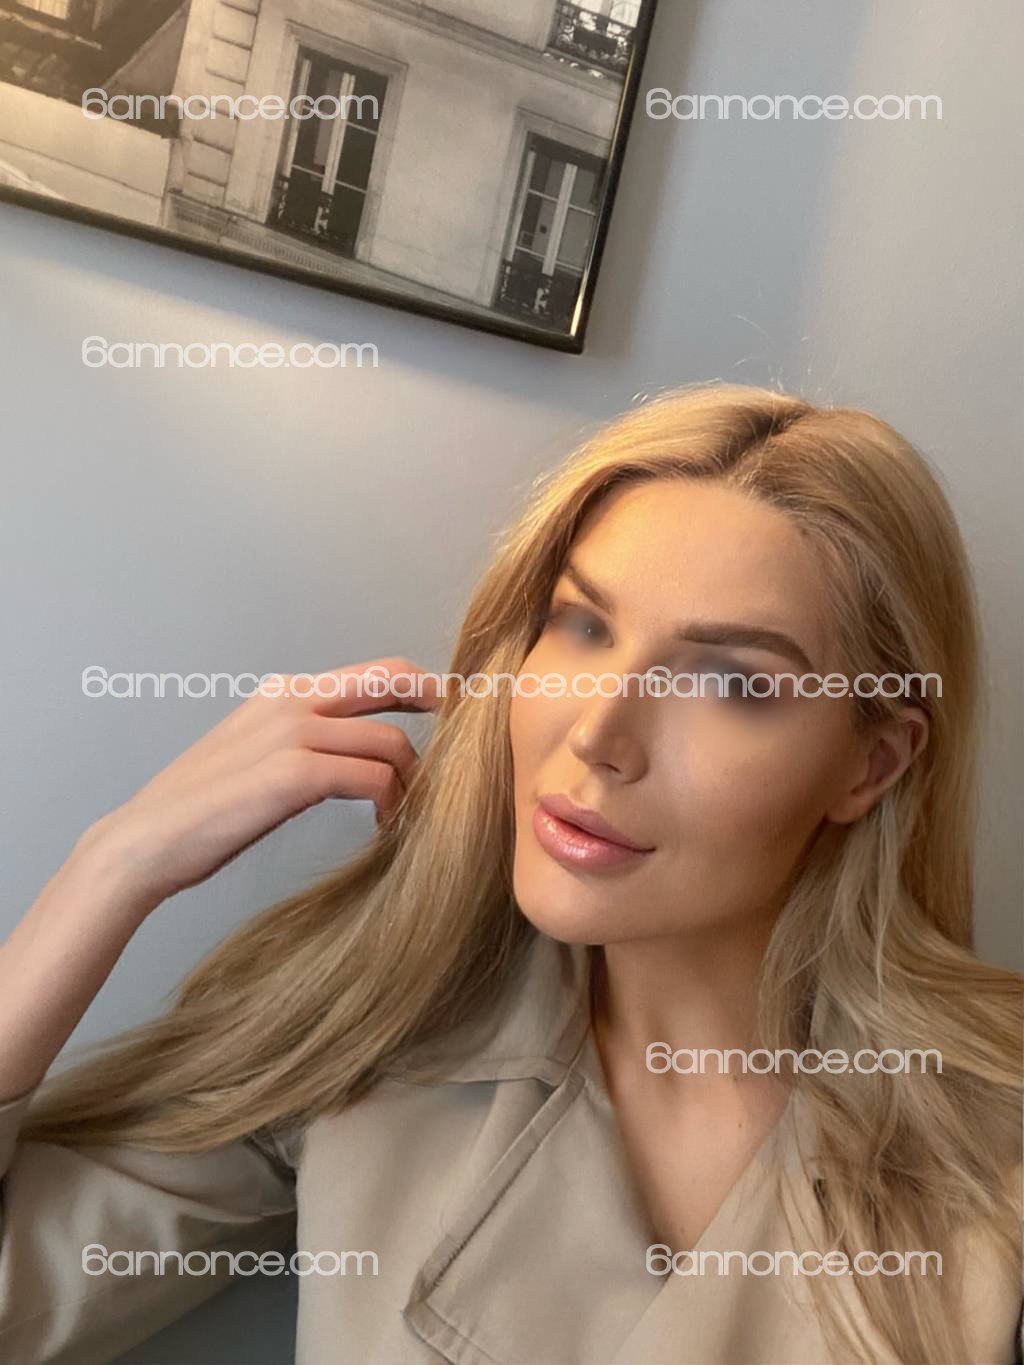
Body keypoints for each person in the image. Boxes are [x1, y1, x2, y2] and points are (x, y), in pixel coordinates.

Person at [0, 382, 1020, 1365]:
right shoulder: (374, 1036)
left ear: (869, 764)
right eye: (584, 625)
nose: (598, 735)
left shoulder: (993, 1144)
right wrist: (113, 865)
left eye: (731, 682)